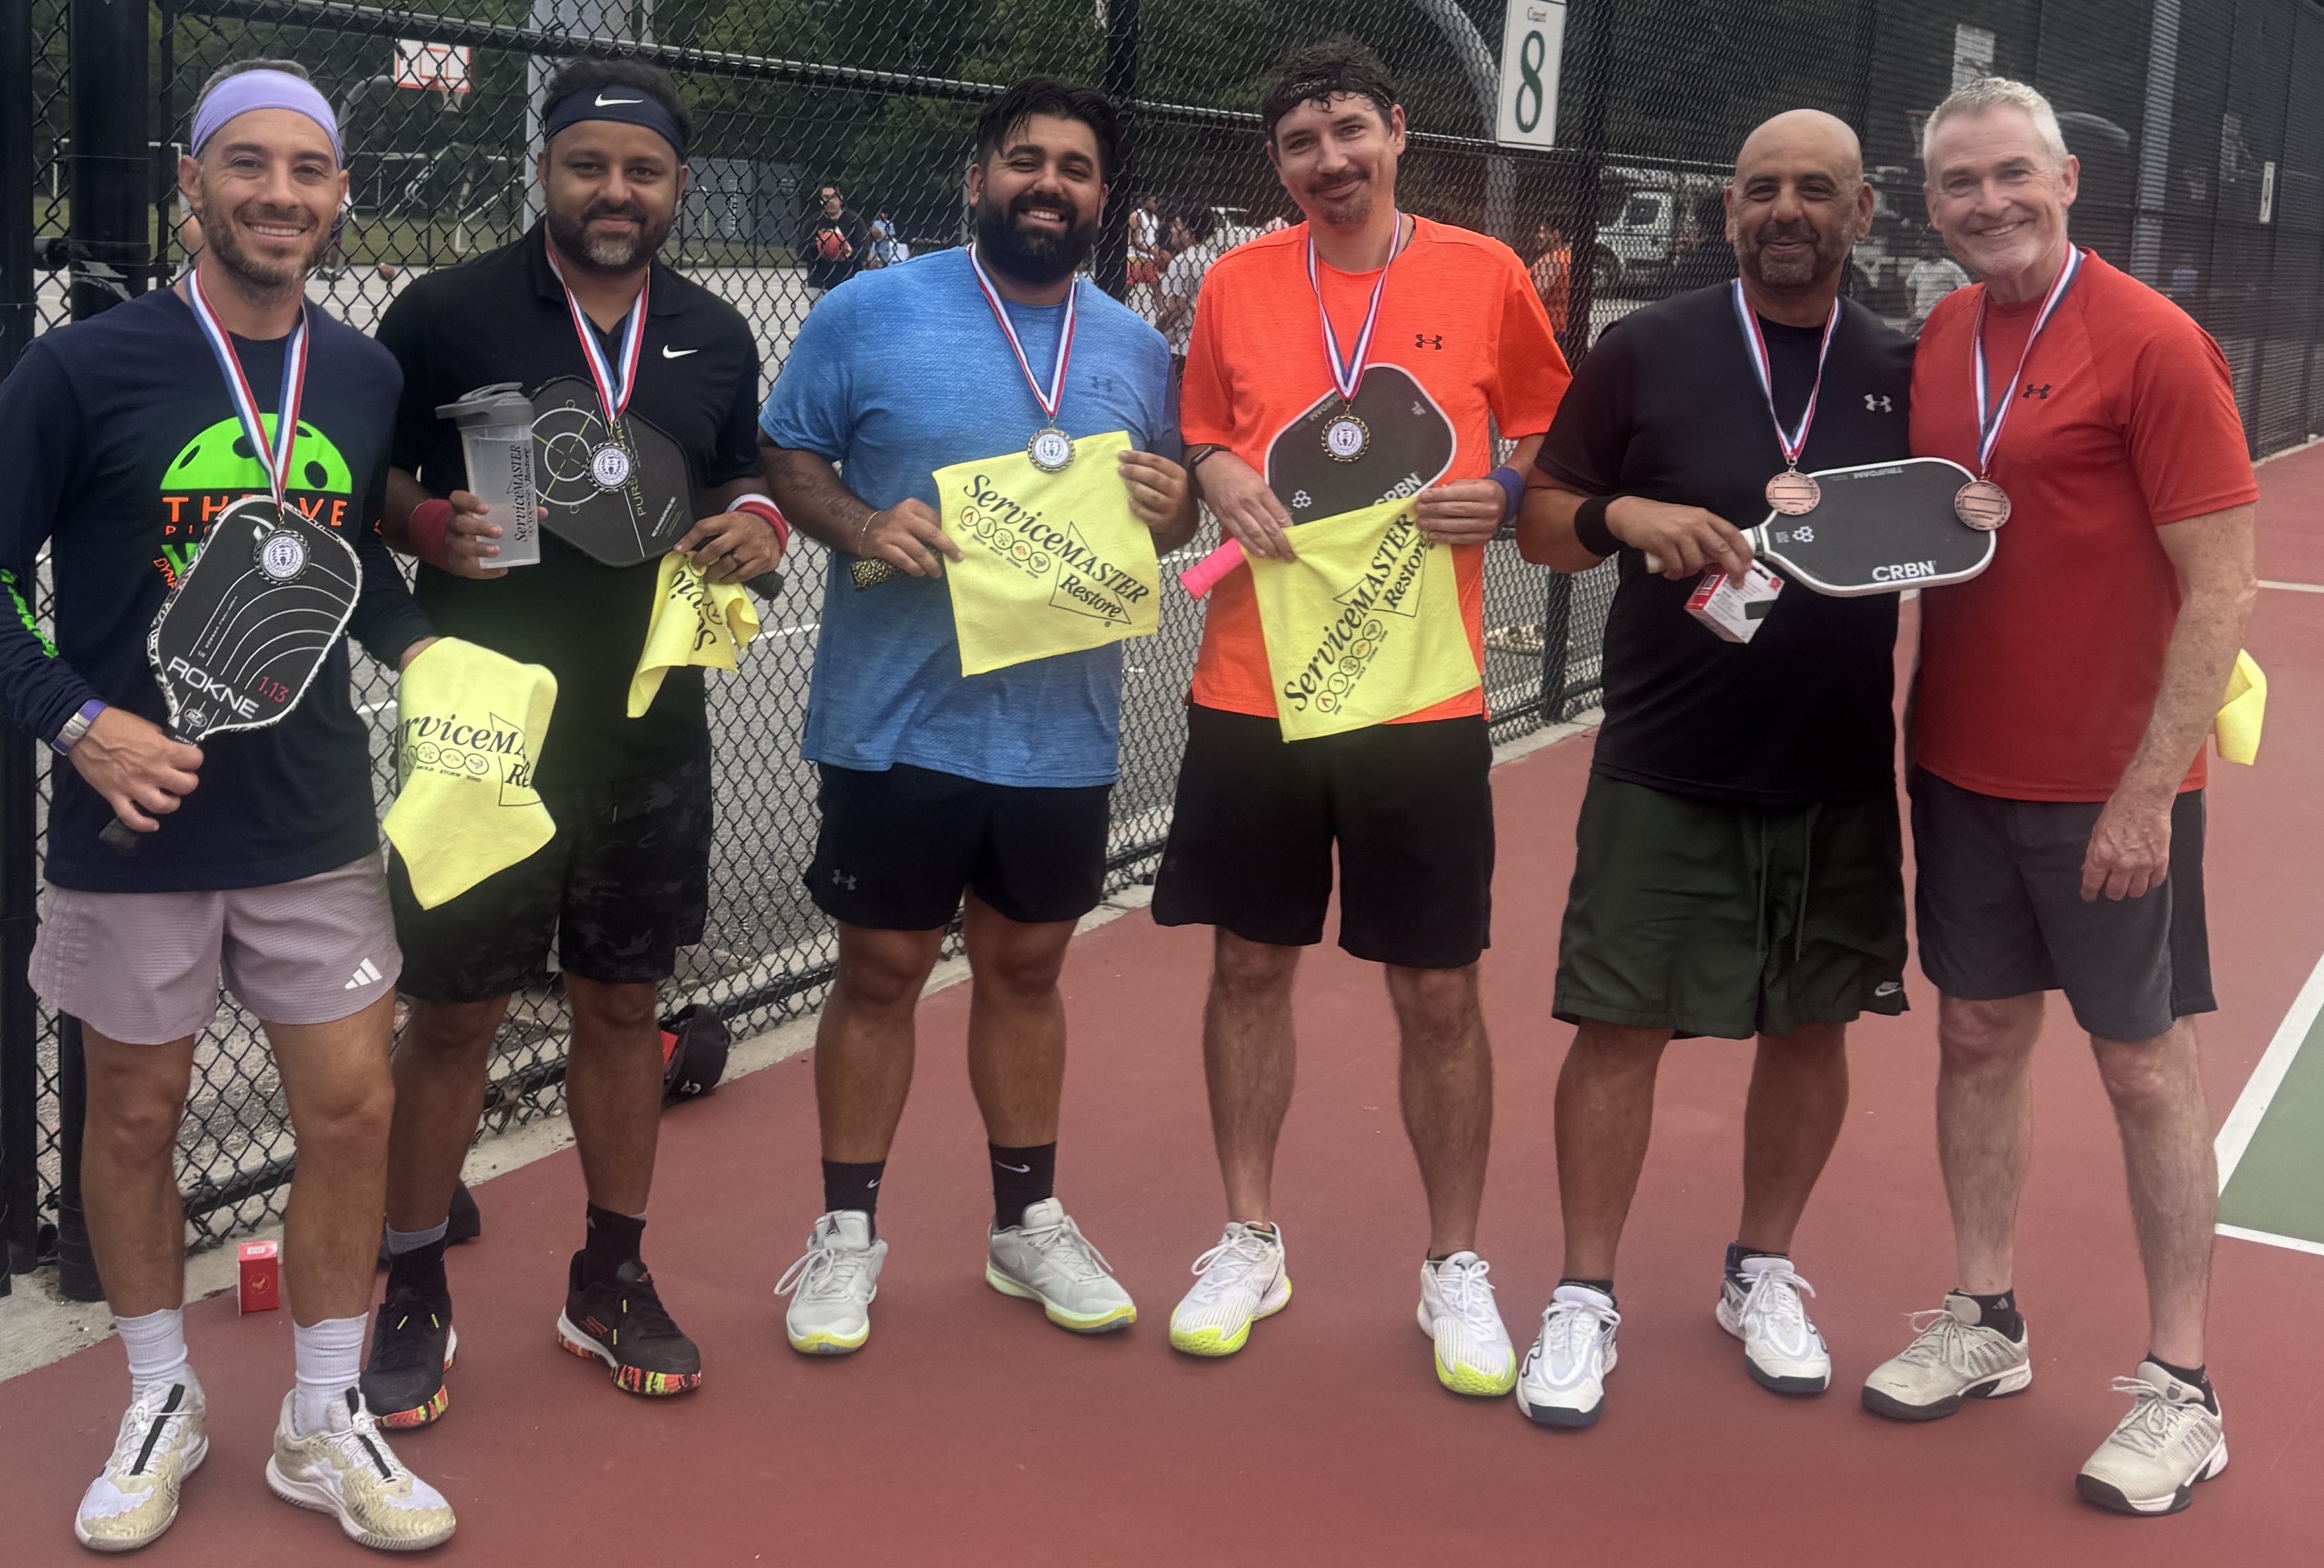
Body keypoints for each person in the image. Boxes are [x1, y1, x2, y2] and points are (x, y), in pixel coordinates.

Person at [0, 60, 455, 1551]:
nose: (279, 193)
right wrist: (76, 722)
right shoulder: (83, 369)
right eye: (246, 164)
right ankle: (159, 1395)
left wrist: (423, 648)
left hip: (311, 816)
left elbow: (338, 558)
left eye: (308, 169)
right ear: (190, 181)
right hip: (133, 824)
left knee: (353, 1107)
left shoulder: (363, 376)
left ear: (341, 195)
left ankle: (323, 1414)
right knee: (135, 1117)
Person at [362, 56, 779, 1424]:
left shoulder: (714, 329)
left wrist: (758, 524)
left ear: (675, 187)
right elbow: (359, 477)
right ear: (542, 170)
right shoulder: (443, 311)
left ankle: (609, 1275)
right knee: (453, 1014)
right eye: (588, 165)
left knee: (621, 1005)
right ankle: (412, 1282)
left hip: (649, 726)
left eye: (641, 171)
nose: (614, 191)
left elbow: (742, 471)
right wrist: (425, 524)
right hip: (481, 723)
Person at [1150, 38, 1569, 1396]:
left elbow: (1549, 425)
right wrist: (1216, 472)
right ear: (1275, 165)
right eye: (1297, 143)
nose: (1326, 161)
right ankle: (1248, 1237)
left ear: (1395, 133)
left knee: (1437, 987)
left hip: (1418, 693)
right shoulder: (1233, 281)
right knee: (1246, 968)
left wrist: (1507, 494)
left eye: (1346, 131)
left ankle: (1454, 1262)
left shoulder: (1483, 273)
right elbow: (1201, 429)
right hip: (1250, 688)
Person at [1864, 76, 2256, 1519]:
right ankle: (1983, 1316)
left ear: (2064, 180)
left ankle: (2181, 1388)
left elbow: (2221, 586)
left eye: (2010, 174)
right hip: (1958, 765)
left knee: (2143, 1066)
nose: (1988, 203)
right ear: (1932, 204)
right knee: (1974, 1035)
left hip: (2111, 786)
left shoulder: (2151, 341)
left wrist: (2149, 789)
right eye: (1959, 183)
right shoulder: (1943, 336)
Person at [758, 77, 1194, 1355]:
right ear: (977, 177)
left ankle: (1024, 1222)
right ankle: (846, 1233)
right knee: (880, 971)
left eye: (1074, 167)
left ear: (1101, 198)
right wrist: (858, 523)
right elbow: (789, 456)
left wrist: (1174, 508)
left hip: (1059, 727)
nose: (1047, 183)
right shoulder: (866, 310)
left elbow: (1171, 513)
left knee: (1026, 969)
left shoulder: (1136, 348)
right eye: (1024, 159)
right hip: (895, 720)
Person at [1513, 110, 1910, 1430]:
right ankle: (1582, 1293)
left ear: (1861, 211)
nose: (1784, 209)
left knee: (1810, 1027)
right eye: (1759, 188)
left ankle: (1761, 1270)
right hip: (1663, 759)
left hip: (1834, 767)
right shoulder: (1645, 347)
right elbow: (1539, 525)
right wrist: (1619, 514)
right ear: (1727, 208)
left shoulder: (1901, 367)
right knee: (1617, 1026)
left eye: (1814, 189)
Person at [1156, 203, 1223, 375]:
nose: (1172, 230)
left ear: (1189, 231)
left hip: (1179, 347)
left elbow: (1176, 307)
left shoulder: (1182, 261)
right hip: (1202, 345)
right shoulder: (1211, 258)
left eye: (1177, 225)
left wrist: (1155, 331)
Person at [804, 183, 868, 297]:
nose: (830, 201)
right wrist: (819, 247)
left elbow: (864, 250)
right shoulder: (813, 222)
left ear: (841, 199)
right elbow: (801, 251)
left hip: (848, 281)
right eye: (826, 197)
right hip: (819, 282)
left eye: (834, 197)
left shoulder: (855, 221)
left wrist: (848, 251)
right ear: (821, 201)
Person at [1905, 236, 1969, 334]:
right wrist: (1910, 306)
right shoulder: (1919, 266)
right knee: (1910, 339)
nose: (1922, 252)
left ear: (1934, 248)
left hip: (1939, 317)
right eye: (1921, 249)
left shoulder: (1950, 267)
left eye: (1925, 248)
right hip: (1919, 315)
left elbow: (1965, 288)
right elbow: (1909, 286)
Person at [1529, 220, 1571, 337]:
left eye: (1543, 232)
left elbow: (1537, 295)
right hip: (1566, 325)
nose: (1538, 236)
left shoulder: (1551, 260)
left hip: (1548, 327)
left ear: (1556, 234)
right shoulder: (1570, 257)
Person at [1128, 191, 1165, 317]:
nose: (1155, 204)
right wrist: (1150, 250)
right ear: (1145, 202)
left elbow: (1154, 239)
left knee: (1156, 286)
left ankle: (1162, 313)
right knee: (1128, 286)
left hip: (1148, 257)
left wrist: (1157, 253)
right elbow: (1134, 241)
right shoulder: (1136, 216)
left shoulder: (1155, 219)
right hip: (1135, 256)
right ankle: (1117, 305)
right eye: (1152, 201)